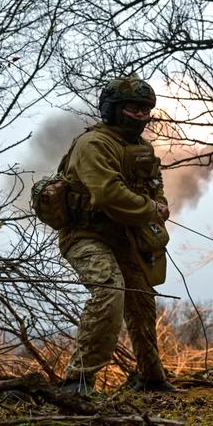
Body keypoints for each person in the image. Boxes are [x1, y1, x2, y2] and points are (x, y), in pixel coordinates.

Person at [57, 76, 179, 395]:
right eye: (132, 108)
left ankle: (151, 378)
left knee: (142, 301)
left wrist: (159, 204)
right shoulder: (93, 144)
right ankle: (77, 381)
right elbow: (109, 194)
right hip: (85, 234)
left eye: (144, 109)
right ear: (112, 109)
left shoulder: (142, 148)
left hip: (127, 237)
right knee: (109, 290)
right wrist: (152, 208)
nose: (140, 115)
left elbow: (155, 185)